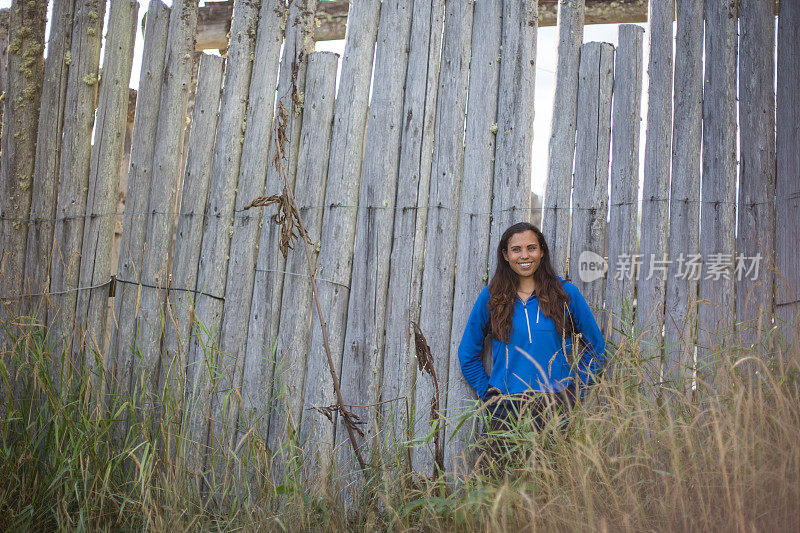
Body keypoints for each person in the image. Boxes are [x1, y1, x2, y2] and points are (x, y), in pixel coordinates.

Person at [458, 222, 605, 462]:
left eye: (531, 248)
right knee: (502, 486)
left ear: (542, 251)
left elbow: (596, 349)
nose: (524, 255)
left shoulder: (565, 294)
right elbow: (468, 353)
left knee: (551, 486)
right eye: (516, 250)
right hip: (505, 408)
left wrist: (574, 391)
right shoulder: (492, 297)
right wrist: (488, 394)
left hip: (554, 405)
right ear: (505, 255)